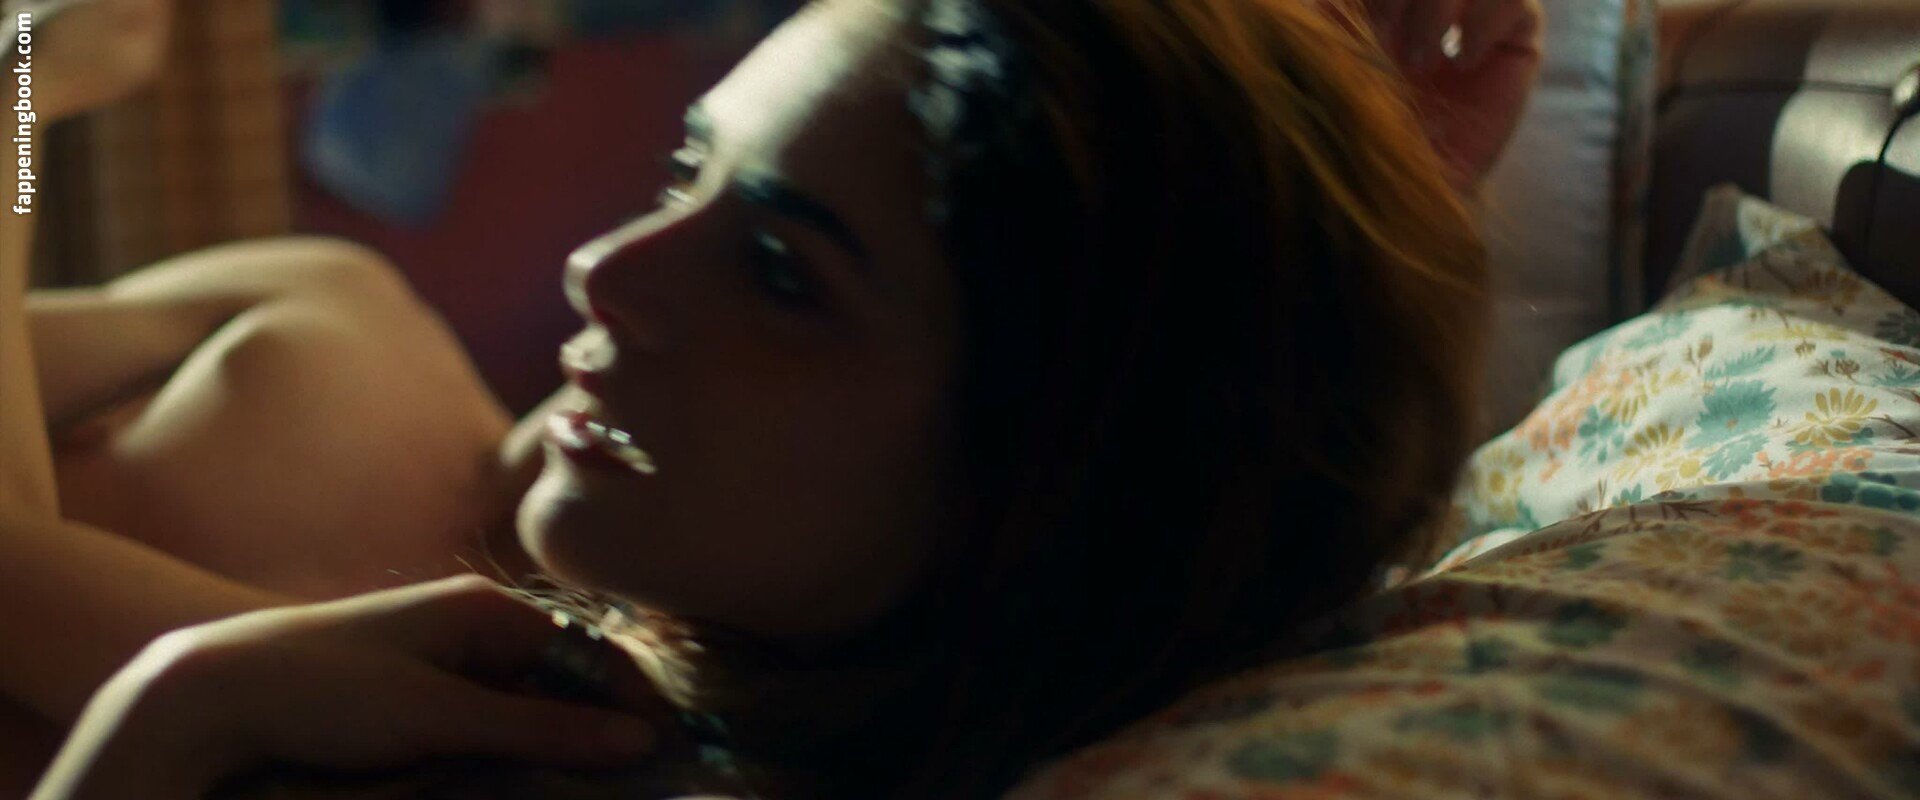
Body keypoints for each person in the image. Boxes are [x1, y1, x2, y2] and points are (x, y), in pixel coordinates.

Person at [8, 0, 1543, 796]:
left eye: (778, 272)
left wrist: (29, 83)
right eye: (688, 170)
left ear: (1035, 480)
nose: (602, 269)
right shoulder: (346, 324)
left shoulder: (505, 711)